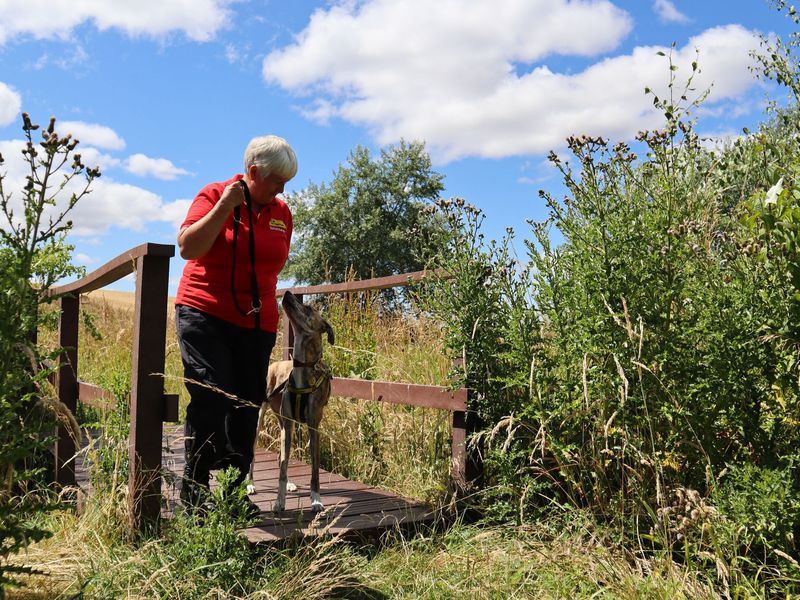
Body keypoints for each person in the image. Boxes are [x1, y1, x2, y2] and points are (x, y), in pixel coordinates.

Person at [174, 135, 296, 514]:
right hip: (204, 313)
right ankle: (194, 492)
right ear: (254, 171)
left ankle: (232, 494)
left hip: (256, 324)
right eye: (277, 179)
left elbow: (274, 266)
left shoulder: (281, 213)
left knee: (246, 406)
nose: (282, 188)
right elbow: (188, 247)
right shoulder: (213, 195)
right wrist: (226, 206)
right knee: (211, 398)